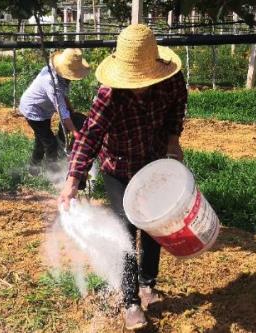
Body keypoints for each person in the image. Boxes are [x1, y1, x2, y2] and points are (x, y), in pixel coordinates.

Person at [58, 24, 187, 330]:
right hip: (118, 168)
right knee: (126, 230)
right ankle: (130, 301)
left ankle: (147, 284)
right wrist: (72, 181)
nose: (139, 86)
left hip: (153, 162)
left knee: (155, 225)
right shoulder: (109, 94)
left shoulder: (170, 82)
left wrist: (172, 139)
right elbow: (89, 136)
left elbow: (177, 108)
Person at [19, 48, 90, 173]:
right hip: (33, 110)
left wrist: (72, 112)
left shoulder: (62, 77)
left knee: (41, 140)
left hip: (44, 110)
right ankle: (53, 174)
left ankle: (33, 169)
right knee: (51, 144)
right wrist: (75, 132)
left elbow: (64, 97)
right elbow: (61, 110)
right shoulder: (51, 81)